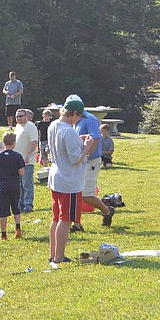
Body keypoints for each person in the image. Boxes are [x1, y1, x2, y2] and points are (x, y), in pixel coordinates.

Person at [47, 96, 89, 264]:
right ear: (74, 113)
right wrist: (86, 147)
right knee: (66, 219)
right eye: (79, 117)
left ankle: (53, 254)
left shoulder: (53, 125)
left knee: (56, 217)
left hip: (56, 175)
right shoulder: (69, 131)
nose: (79, 120)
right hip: (69, 181)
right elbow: (75, 159)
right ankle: (59, 257)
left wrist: (79, 141)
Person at [69, 94, 115, 231]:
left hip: (90, 161)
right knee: (76, 193)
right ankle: (76, 224)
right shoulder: (75, 120)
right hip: (80, 161)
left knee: (86, 195)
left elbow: (95, 139)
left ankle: (107, 210)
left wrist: (86, 157)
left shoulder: (90, 119)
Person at [0, 132, 25, 239]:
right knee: (16, 207)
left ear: (4, 142)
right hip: (14, 184)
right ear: (14, 143)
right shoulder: (18, 156)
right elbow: (21, 172)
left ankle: (4, 234)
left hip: (3, 185)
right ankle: (18, 228)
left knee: (3, 211)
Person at [14, 108, 39, 212]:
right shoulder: (18, 127)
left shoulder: (30, 126)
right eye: (17, 116)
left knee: (27, 184)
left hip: (27, 161)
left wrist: (28, 155)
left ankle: (28, 205)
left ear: (26, 117)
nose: (19, 118)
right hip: (17, 161)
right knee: (19, 185)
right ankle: (21, 205)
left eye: (21, 116)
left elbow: (34, 142)